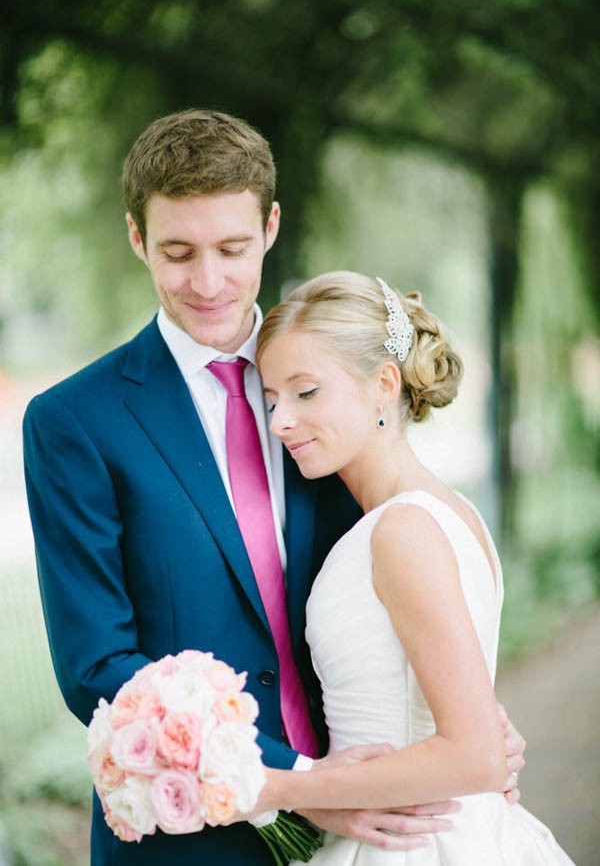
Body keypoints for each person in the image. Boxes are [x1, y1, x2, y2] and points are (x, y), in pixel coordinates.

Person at [23, 110, 524, 866]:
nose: (209, 280)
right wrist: (295, 781)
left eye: (232, 247)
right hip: (189, 837)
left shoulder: (329, 393)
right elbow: (96, 667)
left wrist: (468, 724)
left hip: (384, 818)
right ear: (136, 239)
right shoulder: (74, 424)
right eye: (177, 252)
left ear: (271, 226)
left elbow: (414, 573)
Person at [253, 270, 574, 864]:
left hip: (416, 844)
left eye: (306, 392)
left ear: (383, 384)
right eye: (271, 400)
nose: (279, 423)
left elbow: (475, 753)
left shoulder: (401, 529)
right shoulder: (451, 512)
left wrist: (280, 788)